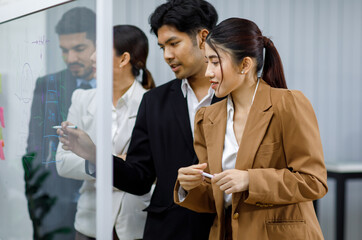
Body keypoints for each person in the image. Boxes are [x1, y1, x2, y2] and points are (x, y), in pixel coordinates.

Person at [58, 0, 220, 239]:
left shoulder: (235, 97)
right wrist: (95, 154)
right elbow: (140, 178)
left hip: (223, 228)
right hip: (166, 231)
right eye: (162, 47)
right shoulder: (155, 101)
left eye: (174, 43)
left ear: (203, 38)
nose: (167, 55)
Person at [174, 18, 328, 240]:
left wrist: (250, 180)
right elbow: (214, 199)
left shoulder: (288, 104)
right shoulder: (206, 118)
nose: (208, 72)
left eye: (215, 62)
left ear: (245, 65)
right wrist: (188, 186)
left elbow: (315, 182)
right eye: (207, 62)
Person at [56, 25, 155, 240]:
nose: (92, 58)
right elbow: (62, 162)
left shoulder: (154, 103)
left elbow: (155, 171)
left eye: (100, 50)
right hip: (89, 223)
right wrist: (115, 162)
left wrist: (94, 159)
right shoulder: (81, 99)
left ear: (123, 59)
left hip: (135, 225)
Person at [26, 7, 96, 239]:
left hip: (105, 205)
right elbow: (34, 150)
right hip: (56, 209)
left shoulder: (117, 84)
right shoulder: (48, 84)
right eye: (64, 51)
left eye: (79, 49)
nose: (71, 59)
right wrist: (37, 207)